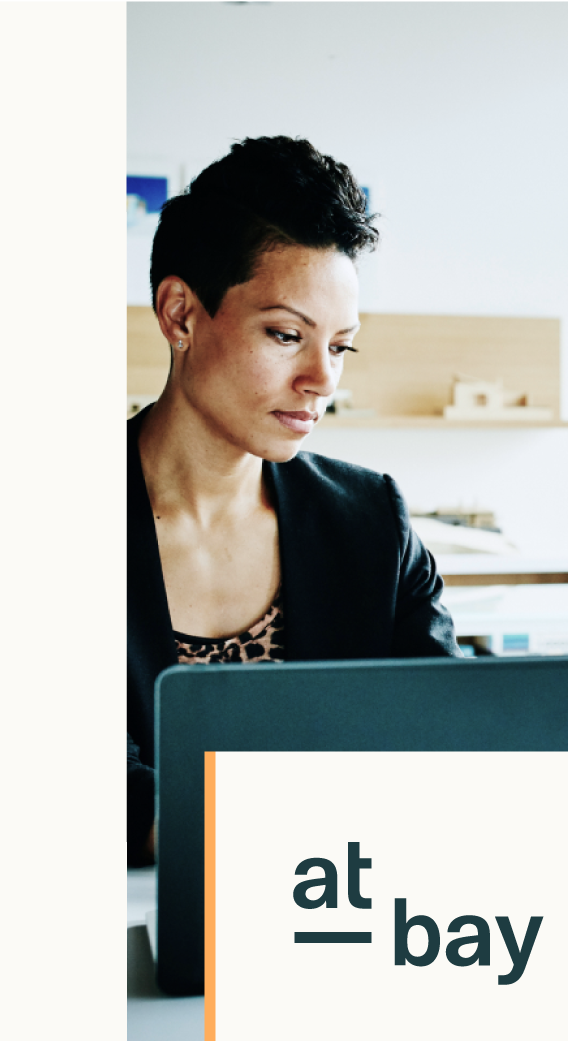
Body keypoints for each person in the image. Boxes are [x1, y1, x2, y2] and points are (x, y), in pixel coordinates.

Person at [128, 136, 459, 866]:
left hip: (340, 913)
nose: (320, 378)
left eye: (341, 347)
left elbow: (449, 732)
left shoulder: (370, 520)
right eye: (286, 335)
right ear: (180, 314)